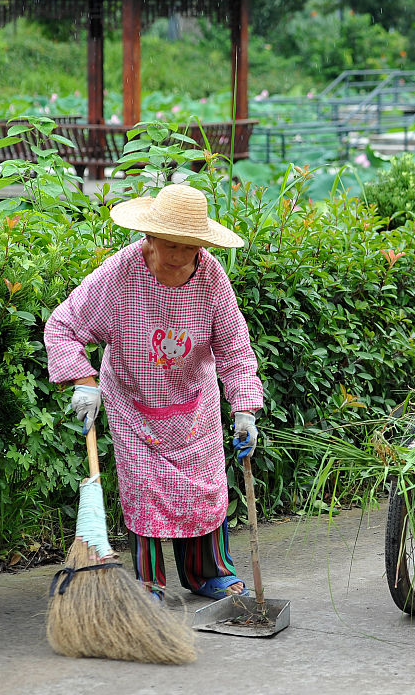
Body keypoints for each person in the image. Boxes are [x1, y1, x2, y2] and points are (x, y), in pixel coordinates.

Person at [44, 183, 263, 600]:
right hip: (133, 403)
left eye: (190, 249)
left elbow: (234, 348)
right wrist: (83, 381)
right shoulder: (121, 273)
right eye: (171, 247)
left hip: (193, 405)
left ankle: (209, 574)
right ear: (149, 237)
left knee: (205, 487)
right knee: (145, 490)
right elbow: (63, 326)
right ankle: (149, 584)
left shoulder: (212, 277)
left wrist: (245, 407)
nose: (180, 258)